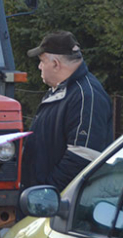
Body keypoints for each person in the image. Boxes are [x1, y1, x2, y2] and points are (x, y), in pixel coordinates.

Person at [21, 31, 113, 193]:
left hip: (59, 205)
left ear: (56, 63)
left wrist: (47, 191)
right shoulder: (61, 91)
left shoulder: (87, 96)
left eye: (42, 61)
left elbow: (84, 156)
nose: (39, 66)